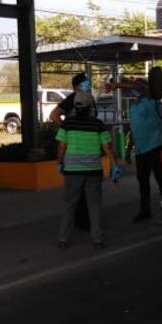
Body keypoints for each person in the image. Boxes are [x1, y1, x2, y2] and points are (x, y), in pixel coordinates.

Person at [55, 94, 120, 249]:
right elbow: (107, 147)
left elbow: (61, 146)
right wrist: (114, 165)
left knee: (69, 205)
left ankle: (63, 239)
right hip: (93, 171)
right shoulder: (97, 124)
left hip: (72, 171)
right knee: (94, 205)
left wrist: (59, 162)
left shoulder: (67, 124)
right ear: (90, 107)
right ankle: (97, 239)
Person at [124, 78, 162, 222]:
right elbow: (134, 128)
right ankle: (145, 210)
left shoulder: (151, 100)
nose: (134, 87)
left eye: (137, 84)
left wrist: (119, 84)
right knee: (143, 182)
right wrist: (129, 148)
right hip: (141, 150)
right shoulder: (134, 105)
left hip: (155, 147)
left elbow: (143, 88)